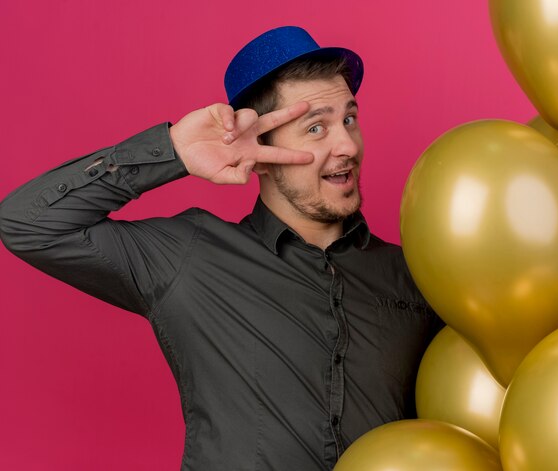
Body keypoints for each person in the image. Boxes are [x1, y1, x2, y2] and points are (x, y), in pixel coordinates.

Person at [0, 26, 443, 470]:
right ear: (259, 148)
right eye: (316, 127)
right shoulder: (190, 258)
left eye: (349, 119)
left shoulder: (416, 274)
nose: (346, 145)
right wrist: (173, 151)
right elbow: (27, 223)